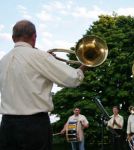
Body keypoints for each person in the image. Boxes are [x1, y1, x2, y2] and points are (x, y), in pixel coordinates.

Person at [0, 20, 88, 150]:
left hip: (7, 126)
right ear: (34, 36)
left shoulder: (3, 60)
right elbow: (73, 79)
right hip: (35, 126)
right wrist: (85, 64)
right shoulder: (40, 56)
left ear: (13, 38)